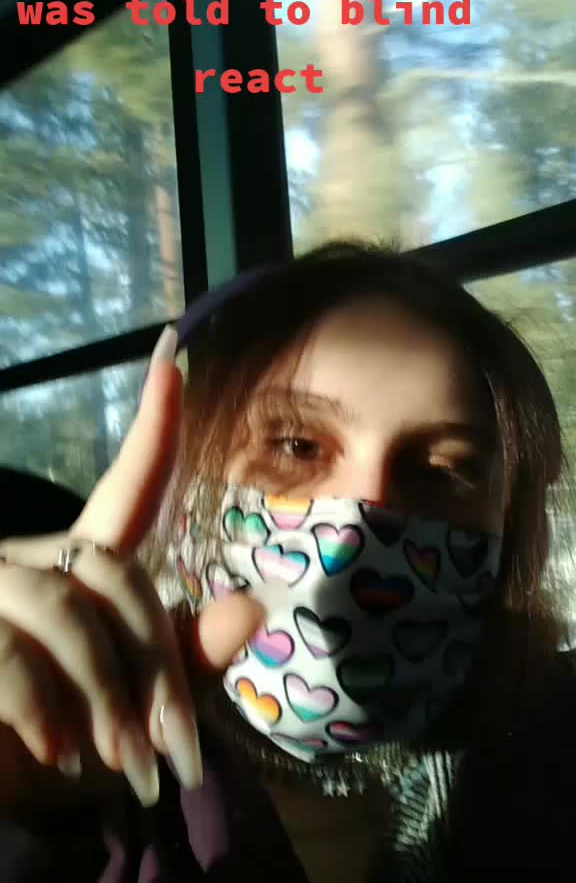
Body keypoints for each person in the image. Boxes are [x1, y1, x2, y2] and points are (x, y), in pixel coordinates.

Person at [0, 240, 574, 882]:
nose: (361, 523)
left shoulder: (554, 755)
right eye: (298, 446)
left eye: (441, 471)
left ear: (513, 525)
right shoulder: (85, 781)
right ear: (185, 486)